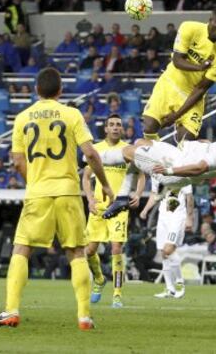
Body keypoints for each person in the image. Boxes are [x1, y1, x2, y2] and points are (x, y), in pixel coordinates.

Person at [0, 67, 114, 330]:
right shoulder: (72, 114)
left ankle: (11, 310)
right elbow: (91, 153)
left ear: (36, 90)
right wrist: (106, 184)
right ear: (61, 90)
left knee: (22, 249)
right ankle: (84, 316)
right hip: (68, 191)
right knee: (76, 251)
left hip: (38, 192)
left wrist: (36, 183)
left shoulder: (22, 118)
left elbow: (18, 160)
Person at [99, 111, 216, 219]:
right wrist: (205, 146)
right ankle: (122, 196)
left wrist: (169, 171)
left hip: (175, 167)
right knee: (141, 142)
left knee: (130, 152)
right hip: (180, 156)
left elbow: (201, 167)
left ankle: (91, 158)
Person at [83, 114, 145, 308]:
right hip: (99, 206)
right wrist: (90, 199)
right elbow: (85, 178)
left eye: (119, 124)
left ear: (122, 129)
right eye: (112, 124)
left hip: (119, 206)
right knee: (90, 250)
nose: (116, 127)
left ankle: (117, 294)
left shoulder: (127, 150)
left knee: (116, 248)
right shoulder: (97, 150)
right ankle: (99, 279)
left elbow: (141, 173)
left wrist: (138, 192)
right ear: (106, 129)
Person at [142, 6, 216, 141]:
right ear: (210, 20)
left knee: (186, 139)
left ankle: (184, 157)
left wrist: (176, 116)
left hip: (191, 95)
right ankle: (157, 156)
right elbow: (177, 60)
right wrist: (200, 67)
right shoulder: (189, 28)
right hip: (169, 83)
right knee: (149, 127)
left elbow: (200, 89)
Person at [140, 180, 194, 298]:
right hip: (163, 217)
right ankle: (170, 289)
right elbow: (154, 195)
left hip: (177, 217)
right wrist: (145, 210)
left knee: (168, 250)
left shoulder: (181, 172)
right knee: (164, 254)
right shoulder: (155, 174)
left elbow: (189, 197)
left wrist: (190, 218)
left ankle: (180, 284)